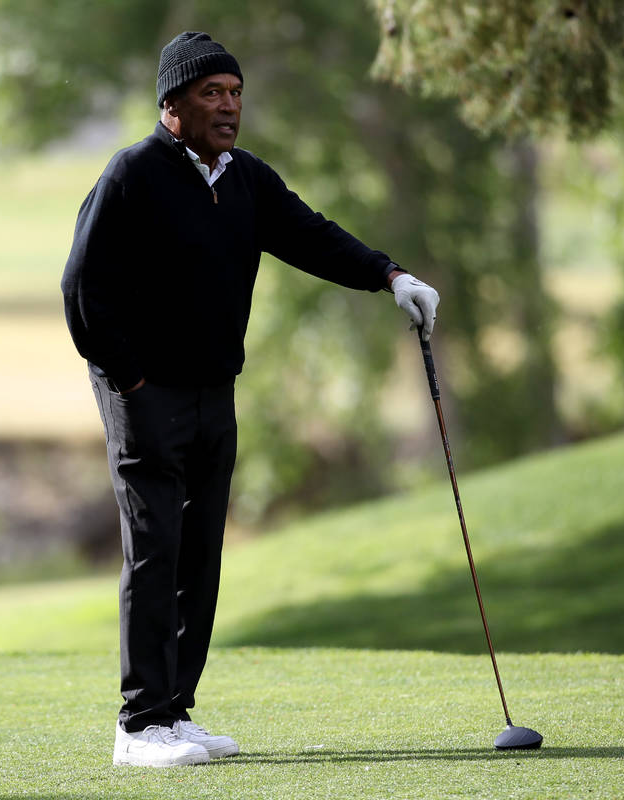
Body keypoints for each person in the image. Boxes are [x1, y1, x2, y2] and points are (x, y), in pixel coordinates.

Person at [60, 31, 439, 768]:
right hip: (144, 393)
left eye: (235, 93)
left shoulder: (244, 179)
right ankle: (138, 728)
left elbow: (311, 235)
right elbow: (83, 288)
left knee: (200, 554)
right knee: (155, 550)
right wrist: (128, 379)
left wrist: (391, 277)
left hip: (212, 390)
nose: (229, 106)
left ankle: (176, 712)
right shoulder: (134, 173)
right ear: (173, 105)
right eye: (212, 93)